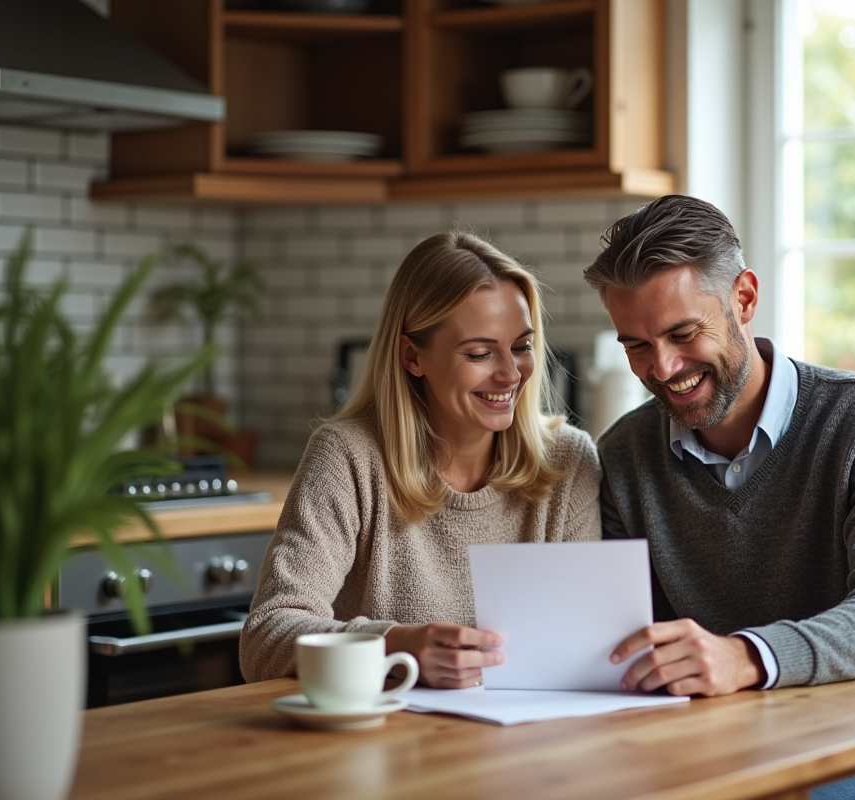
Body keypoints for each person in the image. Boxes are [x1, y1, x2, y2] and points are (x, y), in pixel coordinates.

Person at [583, 195, 855, 800]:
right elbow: (626, 632)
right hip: (719, 748)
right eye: (636, 346)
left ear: (745, 298)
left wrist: (748, 657)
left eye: (683, 333)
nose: (664, 367)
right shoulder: (625, 453)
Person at [241, 232, 601, 689]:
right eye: (479, 353)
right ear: (413, 356)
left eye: (522, 346)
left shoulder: (569, 461)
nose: (511, 373)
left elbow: (587, 641)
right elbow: (264, 638)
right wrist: (393, 645)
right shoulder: (349, 457)